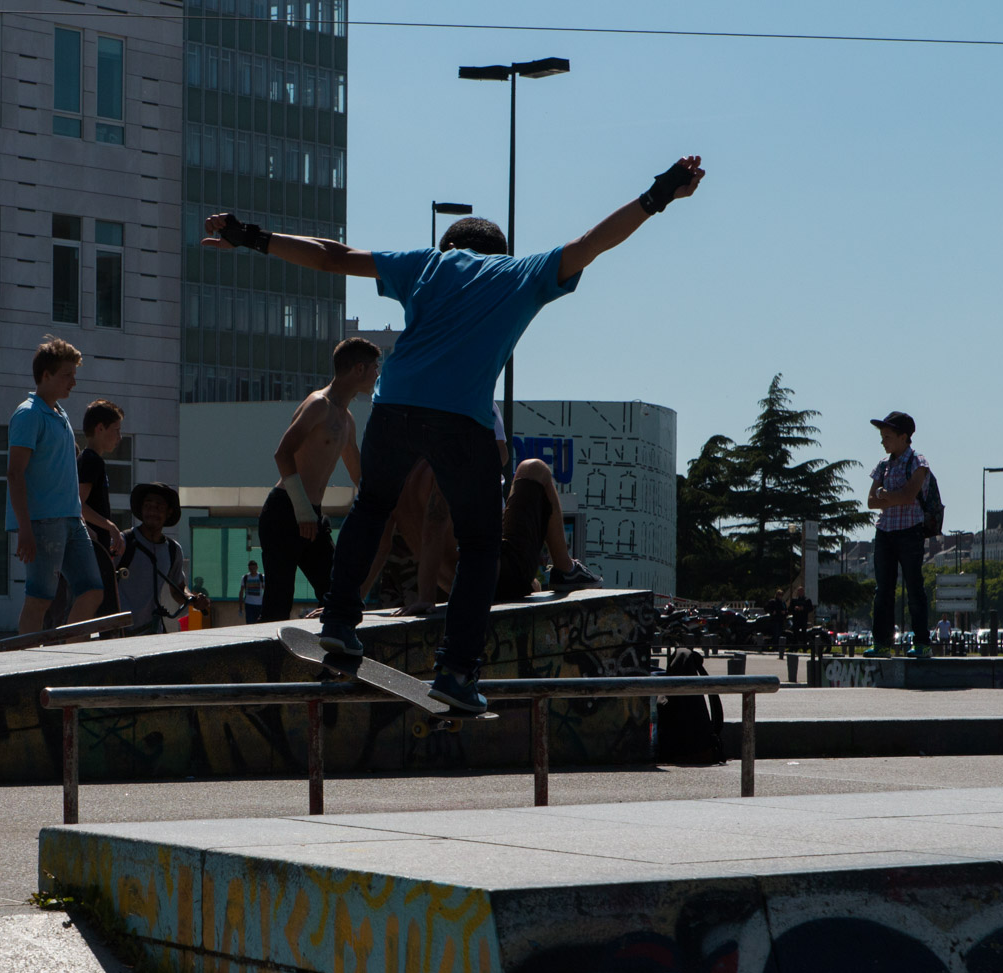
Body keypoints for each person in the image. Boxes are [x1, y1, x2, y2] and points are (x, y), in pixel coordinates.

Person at [204, 154, 704, 712]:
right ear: (500, 252)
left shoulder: (424, 264)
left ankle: (340, 620)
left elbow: (333, 257)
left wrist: (250, 236)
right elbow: (594, 240)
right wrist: (661, 193)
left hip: (395, 408)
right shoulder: (521, 273)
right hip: (460, 419)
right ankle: (457, 670)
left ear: (450, 247)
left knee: (372, 509)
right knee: (482, 544)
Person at [364, 457, 600, 614]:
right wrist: (426, 598)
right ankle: (566, 569)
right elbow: (434, 527)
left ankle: (535, 581)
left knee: (528, 581)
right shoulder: (438, 464)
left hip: (456, 586)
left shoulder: (392, 475)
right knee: (534, 469)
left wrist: (353, 599)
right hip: (490, 578)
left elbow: (379, 545)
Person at [255, 337, 375, 622]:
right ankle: (266, 664)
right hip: (286, 510)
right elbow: (282, 454)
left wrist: (382, 504)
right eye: (374, 368)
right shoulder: (318, 404)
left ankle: (326, 660)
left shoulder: (346, 419)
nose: (377, 375)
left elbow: (357, 470)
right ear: (359, 369)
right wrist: (302, 509)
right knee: (277, 606)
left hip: (313, 517)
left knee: (340, 595)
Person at [6, 336, 104, 635]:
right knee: (40, 598)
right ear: (46, 375)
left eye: (74, 375)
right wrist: (25, 528)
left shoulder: (59, 414)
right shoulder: (29, 413)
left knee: (93, 591)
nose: (73, 382)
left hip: (72, 520)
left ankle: (63, 653)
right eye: (67, 375)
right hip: (43, 521)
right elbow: (14, 473)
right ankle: (24, 666)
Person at [866, 411, 932, 658]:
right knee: (883, 590)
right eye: (882, 436)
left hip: (909, 531)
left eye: (888, 436)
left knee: (914, 587)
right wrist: (888, 497)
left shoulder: (917, 462)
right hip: (885, 531)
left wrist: (886, 496)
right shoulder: (882, 465)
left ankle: (923, 642)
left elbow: (908, 495)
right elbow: (871, 501)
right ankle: (882, 642)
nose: (883, 441)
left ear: (904, 437)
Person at [117, 482, 210, 635]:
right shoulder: (124, 542)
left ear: (169, 512)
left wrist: (193, 599)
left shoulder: (173, 550)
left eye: (159, 507)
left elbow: (178, 591)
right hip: (120, 634)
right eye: (148, 506)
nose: (152, 511)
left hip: (153, 631)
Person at [78, 399, 126, 624]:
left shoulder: (93, 461)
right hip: (93, 550)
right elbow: (78, 504)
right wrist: (110, 526)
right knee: (103, 611)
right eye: (116, 430)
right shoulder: (90, 461)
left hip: (98, 549)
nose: (120, 437)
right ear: (100, 429)